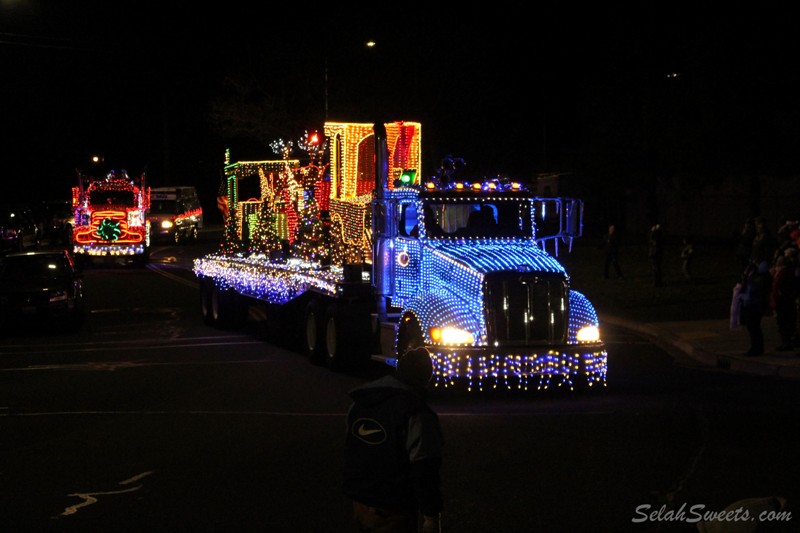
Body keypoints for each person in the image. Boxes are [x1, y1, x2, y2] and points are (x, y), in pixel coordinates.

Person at [343, 347, 444, 533]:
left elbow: (352, 450)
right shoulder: (416, 413)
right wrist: (431, 515)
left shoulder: (360, 403)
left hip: (359, 502)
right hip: (392, 509)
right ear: (426, 378)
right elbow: (424, 469)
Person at [739, 256, 773, 356]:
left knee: (754, 327)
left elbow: (757, 288)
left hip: (755, 303)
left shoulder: (761, 276)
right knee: (752, 327)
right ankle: (756, 347)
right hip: (751, 302)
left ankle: (756, 348)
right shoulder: (753, 273)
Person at [770, 254, 798, 351]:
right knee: (782, 322)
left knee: (785, 322)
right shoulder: (779, 273)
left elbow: (787, 288)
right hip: (781, 301)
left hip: (785, 302)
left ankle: (787, 342)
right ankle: (785, 341)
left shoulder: (786, 273)